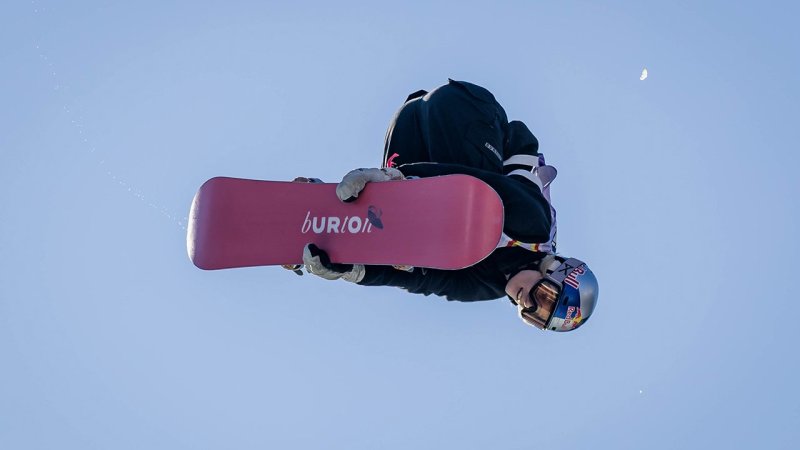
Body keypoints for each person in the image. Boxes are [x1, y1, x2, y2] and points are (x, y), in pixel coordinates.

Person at [290, 79, 598, 332]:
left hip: (408, 126)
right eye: (545, 298)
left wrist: (355, 270)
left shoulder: (486, 285)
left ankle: (327, 216)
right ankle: (393, 187)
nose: (527, 304)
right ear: (554, 269)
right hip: (463, 112)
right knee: (450, 221)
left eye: (536, 316)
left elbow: (423, 280)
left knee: (408, 245)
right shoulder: (535, 228)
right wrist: (397, 179)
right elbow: (474, 187)